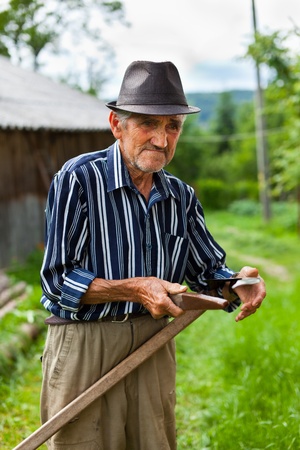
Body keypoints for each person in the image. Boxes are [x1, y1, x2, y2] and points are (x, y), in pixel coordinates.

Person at [40, 60, 266, 450]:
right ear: (116, 124)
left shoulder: (180, 195)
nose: (162, 141)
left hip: (154, 342)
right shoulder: (78, 179)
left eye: (173, 126)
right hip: (85, 343)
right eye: (148, 124)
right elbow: (58, 281)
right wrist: (134, 289)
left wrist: (237, 284)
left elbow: (208, 270)